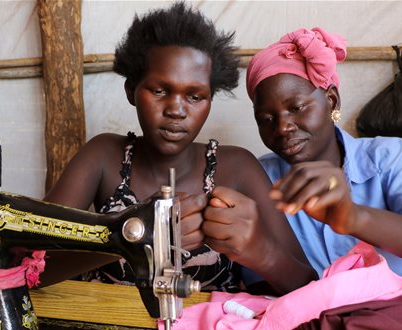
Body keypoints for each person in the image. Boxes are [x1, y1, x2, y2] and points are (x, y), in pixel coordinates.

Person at [40, 3, 316, 295]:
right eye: (160, 91)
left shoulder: (237, 169)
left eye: (195, 96)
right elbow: (29, 267)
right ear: (131, 90)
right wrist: (131, 232)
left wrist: (259, 250)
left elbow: (308, 287)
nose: (176, 110)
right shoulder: (103, 157)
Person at [245, 27, 402, 282]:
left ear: (332, 101)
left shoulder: (386, 158)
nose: (282, 128)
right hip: (308, 319)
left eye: (297, 108)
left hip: (395, 317)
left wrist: (353, 217)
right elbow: (257, 283)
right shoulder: (261, 179)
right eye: (266, 119)